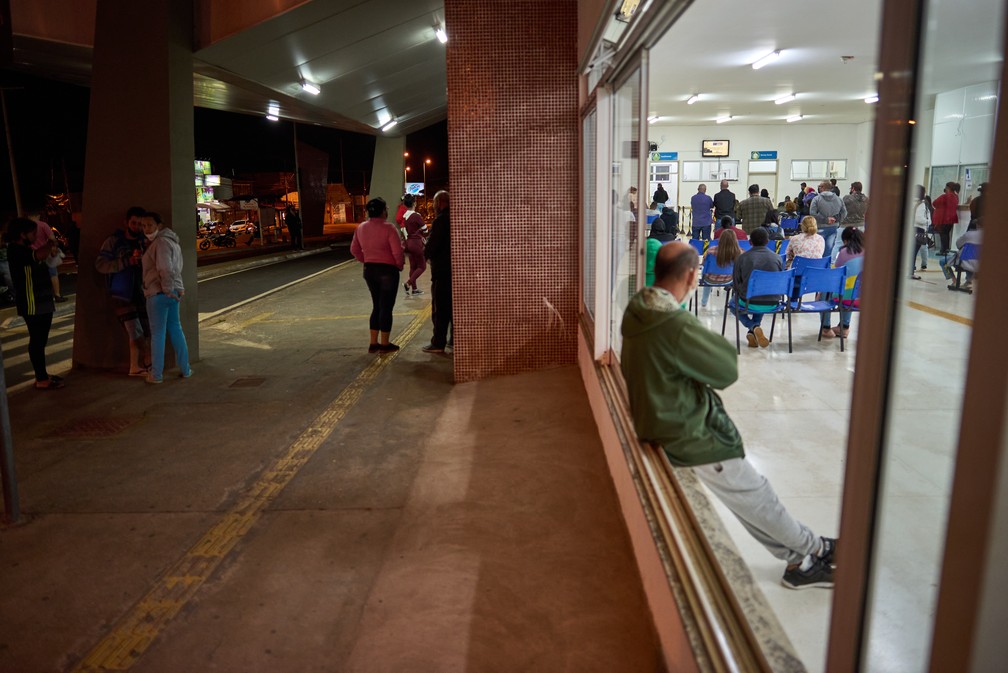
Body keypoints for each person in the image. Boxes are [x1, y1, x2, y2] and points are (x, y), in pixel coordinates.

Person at [620, 241, 836, 589]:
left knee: (748, 499)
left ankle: (801, 558)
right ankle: (814, 551)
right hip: (690, 434)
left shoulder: (638, 308)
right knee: (757, 495)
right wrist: (684, 321)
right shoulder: (671, 324)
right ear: (692, 275)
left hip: (660, 420)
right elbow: (725, 369)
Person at [5, 217, 64, 389]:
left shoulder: (25, 248)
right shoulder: (16, 250)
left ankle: (42, 375)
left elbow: (40, 258)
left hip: (41, 299)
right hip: (32, 302)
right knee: (37, 340)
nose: (35, 235)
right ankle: (41, 379)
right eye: (32, 232)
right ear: (22, 234)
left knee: (41, 339)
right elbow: (38, 255)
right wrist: (50, 244)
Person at [95, 206, 151, 376]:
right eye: (134, 223)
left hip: (142, 291)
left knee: (143, 329)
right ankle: (148, 359)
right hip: (121, 293)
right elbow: (101, 265)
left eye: (140, 224)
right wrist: (126, 262)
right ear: (126, 222)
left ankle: (134, 366)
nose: (137, 227)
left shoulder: (145, 241)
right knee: (135, 330)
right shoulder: (114, 241)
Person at [141, 212, 191, 384]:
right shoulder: (172, 242)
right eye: (143, 225)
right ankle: (186, 369)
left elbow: (166, 268)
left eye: (149, 225)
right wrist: (178, 289)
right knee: (176, 329)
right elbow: (177, 268)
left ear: (159, 225)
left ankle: (156, 375)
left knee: (158, 334)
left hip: (159, 293)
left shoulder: (160, 242)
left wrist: (168, 289)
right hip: (173, 293)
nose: (146, 229)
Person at [350, 197, 405, 353]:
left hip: (369, 270)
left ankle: (373, 343)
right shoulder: (389, 228)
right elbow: (397, 252)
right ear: (382, 211)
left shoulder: (360, 228)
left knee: (376, 305)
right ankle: (385, 344)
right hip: (388, 271)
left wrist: (366, 260)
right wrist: (399, 265)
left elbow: (354, 250)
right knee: (386, 307)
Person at [730, 227, 783, 349]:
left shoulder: (742, 258)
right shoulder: (777, 258)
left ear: (750, 242)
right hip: (773, 302)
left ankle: (753, 327)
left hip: (749, 301)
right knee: (763, 293)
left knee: (733, 305)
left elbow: (736, 283)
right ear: (768, 241)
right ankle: (754, 331)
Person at [821, 226, 865, 339]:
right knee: (853, 289)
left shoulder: (844, 252)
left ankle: (826, 328)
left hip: (845, 298)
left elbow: (836, 273)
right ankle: (844, 327)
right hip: (863, 298)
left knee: (827, 292)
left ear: (845, 240)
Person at [423, 191, 452, 353]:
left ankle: (438, 342)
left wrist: (425, 252)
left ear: (440, 203)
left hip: (442, 271)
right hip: (458, 272)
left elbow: (431, 246)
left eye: (434, 203)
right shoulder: (459, 217)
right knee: (455, 308)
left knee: (440, 309)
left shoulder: (440, 220)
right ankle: (454, 340)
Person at [699, 229, 741, 308]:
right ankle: (733, 302)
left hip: (709, 279)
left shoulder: (710, 251)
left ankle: (704, 301)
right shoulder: (738, 252)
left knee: (705, 273)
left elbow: (704, 264)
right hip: (729, 280)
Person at [809, 180, 847, 260]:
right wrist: (835, 219)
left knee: (818, 250)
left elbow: (812, 213)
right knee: (829, 250)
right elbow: (844, 213)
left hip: (819, 227)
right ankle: (827, 267)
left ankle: (818, 267)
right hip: (833, 227)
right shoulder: (839, 199)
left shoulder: (816, 199)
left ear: (822, 187)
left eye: (819, 186)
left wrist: (825, 220)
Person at [400, 194, 429, 296]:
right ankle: (408, 284)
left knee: (413, 266)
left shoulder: (406, 216)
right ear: (414, 203)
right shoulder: (416, 215)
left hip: (409, 243)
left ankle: (414, 289)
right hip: (416, 243)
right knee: (422, 266)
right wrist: (422, 230)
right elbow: (425, 229)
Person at [942, 218, 982, 291]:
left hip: (965, 262)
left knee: (943, 261)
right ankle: (968, 281)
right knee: (972, 257)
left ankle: (954, 280)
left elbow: (958, 244)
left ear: (977, 225)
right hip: (980, 264)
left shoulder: (969, 234)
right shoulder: (989, 236)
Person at [32, 218, 67, 302]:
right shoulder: (43, 225)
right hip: (45, 252)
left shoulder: (25, 227)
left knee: (35, 276)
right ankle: (57, 295)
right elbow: (52, 238)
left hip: (32, 255)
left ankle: (39, 297)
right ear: (38, 214)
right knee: (53, 274)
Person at [910, 185, 933, 280]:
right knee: (914, 252)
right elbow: (919, 218)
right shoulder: (921, 204)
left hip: (911, 229)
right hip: (919, 229)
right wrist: (928, 221)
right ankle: (911, 272)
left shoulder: (911, 202)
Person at [932, 181, 960, 255]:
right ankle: (946, 250)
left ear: (948, 188)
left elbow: (934, 203)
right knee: (946, 234)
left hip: (944, 219)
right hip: (951, 218)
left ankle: (943, 251)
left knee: (943, 234)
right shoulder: (955, 196)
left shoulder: (945, 196)